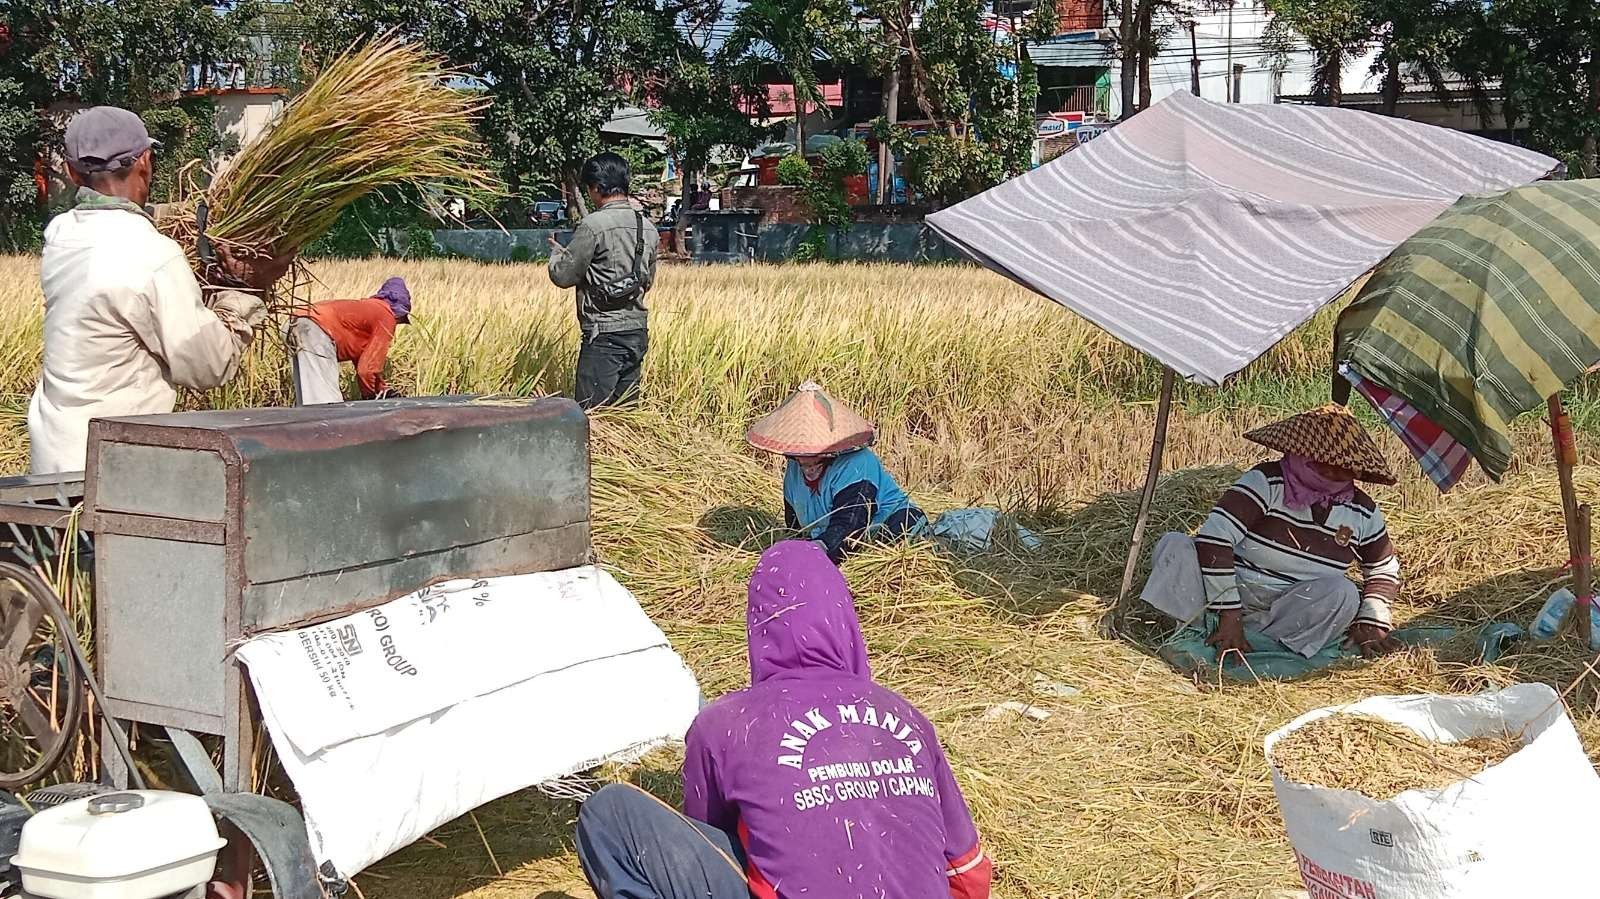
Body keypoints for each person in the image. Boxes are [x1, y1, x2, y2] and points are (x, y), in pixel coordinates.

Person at [574, 540, 992, 899]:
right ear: (846, 620)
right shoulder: (907, 715)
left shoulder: (725, 724)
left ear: (759, 628)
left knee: (609, 811)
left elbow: (706, 841)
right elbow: (969, 874)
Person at [28, 106, 279, 475]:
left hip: (54, 456)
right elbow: (208, 365)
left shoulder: (61, 235)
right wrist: (244, 289)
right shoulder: (152, 255)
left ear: (70, 171)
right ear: (145, 162)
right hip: (113, 468)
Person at [1141, 404, 1404, 675]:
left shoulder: (1362, 510)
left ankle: (1264, 647)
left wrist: (1371, 621)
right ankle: (1196, 633)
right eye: (1324, 465)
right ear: (1301, 454)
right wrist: (1229, 613)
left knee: (1343, 593)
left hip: (1289, 609)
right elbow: (1215, 539)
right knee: (1175, 546)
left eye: (1345, 469)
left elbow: (1383, 569)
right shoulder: (1266, 481)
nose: (1335, 473)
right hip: (1224, 592)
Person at [745, 382, 927, 564]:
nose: (808, 467)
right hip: (831, 539)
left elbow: (850, 526)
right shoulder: (794, 469)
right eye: (800, 459)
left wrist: (819, 550)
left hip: (891, 532)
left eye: (815, 459)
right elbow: (795, 526)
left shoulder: (857, 464)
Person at [547, 152, 658, 410]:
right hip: (637, 331)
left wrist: (556, 255)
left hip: (603, 335)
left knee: (591, 417)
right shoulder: (648, 228)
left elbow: (564, 276)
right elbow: (648, 281)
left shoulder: (593, 225)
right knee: (625, 417)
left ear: (597, 188)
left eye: (589, 189)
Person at [286, 278, 411, 404]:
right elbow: (367, 370)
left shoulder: (368, 310)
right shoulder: (386, 315)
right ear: (399, 312)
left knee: (308, 397)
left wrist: (381, 389)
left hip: (292, 323)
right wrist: (370, 398)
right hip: (315, 330)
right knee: (327, 403)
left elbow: (363, 362)